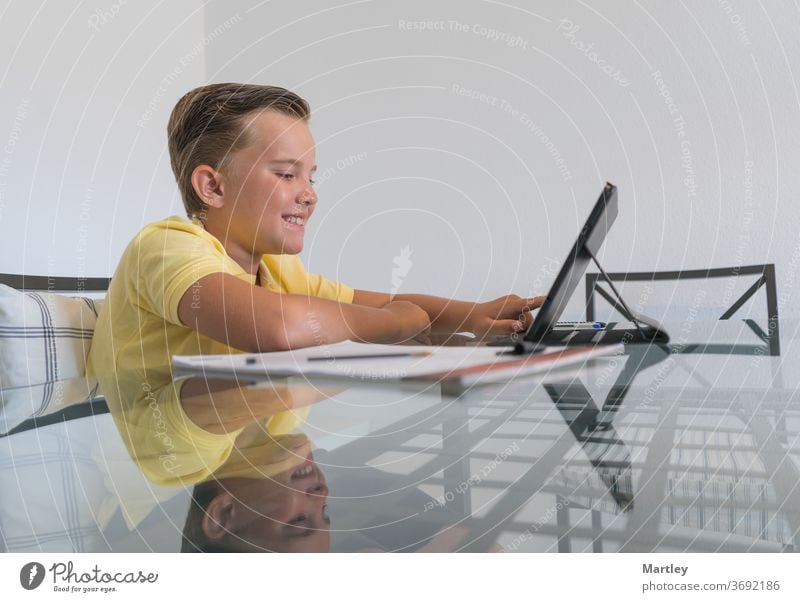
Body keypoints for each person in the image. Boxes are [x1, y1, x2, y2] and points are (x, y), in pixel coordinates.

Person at [87, 83, 543, 376]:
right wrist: (397, 322)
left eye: (311, 176)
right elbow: (279, 326)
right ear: (212, 186)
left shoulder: (280, 273)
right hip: (166, 503)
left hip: (251, 465)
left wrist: (472, 315)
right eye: (286, 174)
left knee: (448, 527)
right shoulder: (166, 246)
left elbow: (381, 302)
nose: (309, 194)